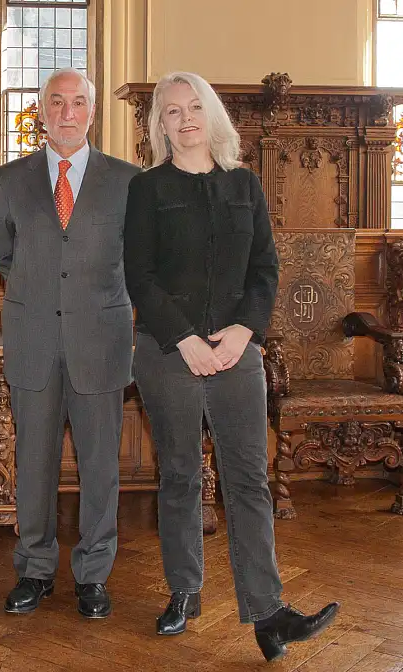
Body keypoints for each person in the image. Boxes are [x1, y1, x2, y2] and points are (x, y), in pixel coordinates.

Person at [123, 71, 340, 662]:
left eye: (196, 107)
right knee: (181, 477)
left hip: (239, 351)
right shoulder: (146, 189)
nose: (186, 117)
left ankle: (269, 614)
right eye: (173, 111)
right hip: (169, 352)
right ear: (159, 125)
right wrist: (186, 340)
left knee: (248, 480)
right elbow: (139, 274)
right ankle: (184, 591)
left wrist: (244, 332)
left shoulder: (245, 184)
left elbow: (265, 269)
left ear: (212, 116)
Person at [0, 68, 140, 619]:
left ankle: (94, 575)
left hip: (100, 340)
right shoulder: (10, 181)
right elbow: (7, 258)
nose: (68, 112)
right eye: (57, 102)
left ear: (93, 113)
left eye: (79, 102)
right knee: (33, 463)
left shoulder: (127, 181)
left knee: (101, 465)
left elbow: (134, 261)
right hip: (32, 339)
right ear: (42, 112)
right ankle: (34, 569)